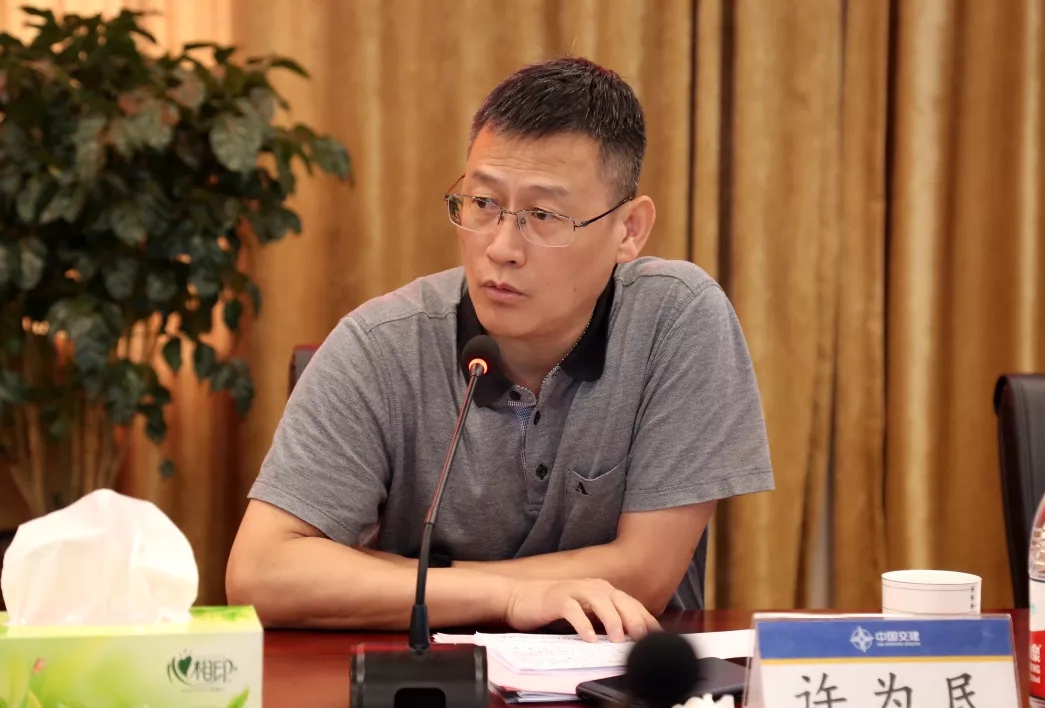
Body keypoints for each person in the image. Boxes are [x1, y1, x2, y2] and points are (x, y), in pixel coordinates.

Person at [225, 56, 774, 642]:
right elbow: (260, 574)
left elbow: (643, 574)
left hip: (623, 679)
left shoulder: (675, 318)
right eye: (483, 204)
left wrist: (397, 577)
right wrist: (510, 598)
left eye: (543, 215)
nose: (501, 248)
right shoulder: (380, 345)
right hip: (435, 681)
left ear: (629, 230)